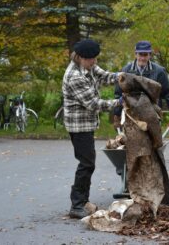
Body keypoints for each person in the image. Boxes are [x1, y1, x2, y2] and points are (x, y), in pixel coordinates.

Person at [62, 39, 119, 219]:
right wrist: (119, 103)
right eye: (91, 59)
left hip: (86, 123)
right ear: (79, 57)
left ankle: (82, 201)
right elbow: (93, 103)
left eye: (95, 59)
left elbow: (104, 76)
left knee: (88, 162)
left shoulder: (87, 66)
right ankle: (77, 204)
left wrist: (122, 76)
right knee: (87, 163)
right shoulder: (74, 76)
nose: (94, 62)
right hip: (78, 126)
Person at [113, 40, 169, 130]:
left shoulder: (159, 71)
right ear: (136, 54)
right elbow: (119, 94)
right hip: (131, 116)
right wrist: (116, 118)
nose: (143, 58)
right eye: (140, 54)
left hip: (153, 116)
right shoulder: (126, 71)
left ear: (150, 55)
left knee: (155, 143)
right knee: (133, 142)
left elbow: (168, 94)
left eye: (145, 55)